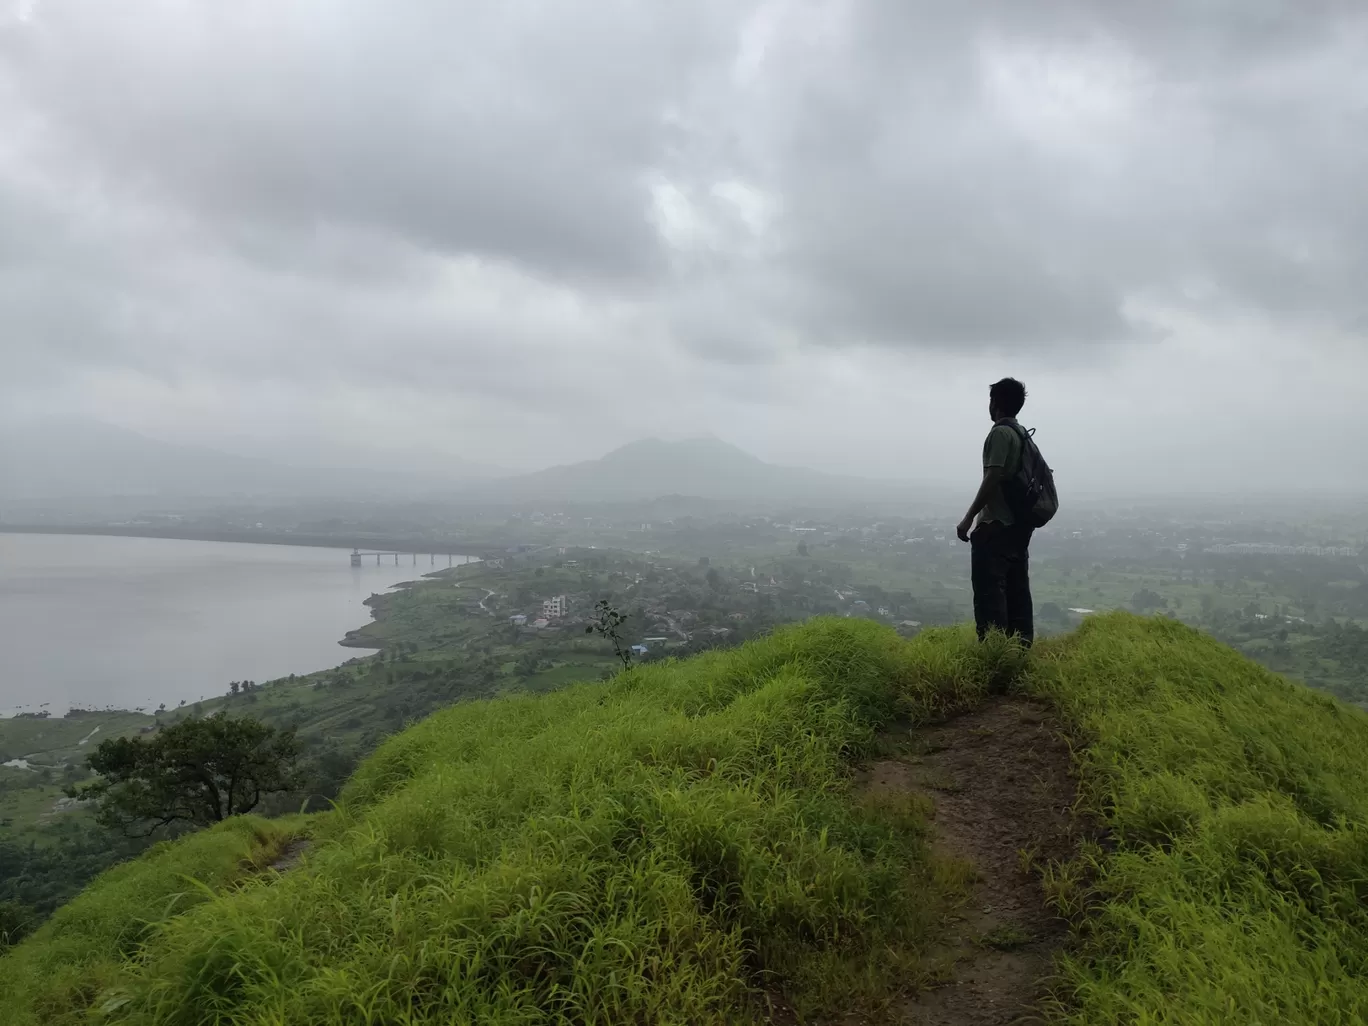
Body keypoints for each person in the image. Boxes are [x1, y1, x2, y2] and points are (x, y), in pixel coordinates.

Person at [956, 377, 1034, 646]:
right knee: (1017, 596)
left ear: (995, 403)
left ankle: (993, 658)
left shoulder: (1000, 434)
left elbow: (993, 477)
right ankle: (1018, 655)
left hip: (995, 527)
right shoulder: (1022, 433)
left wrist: (968, 519)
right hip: (1018, 528)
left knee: (990, 600)